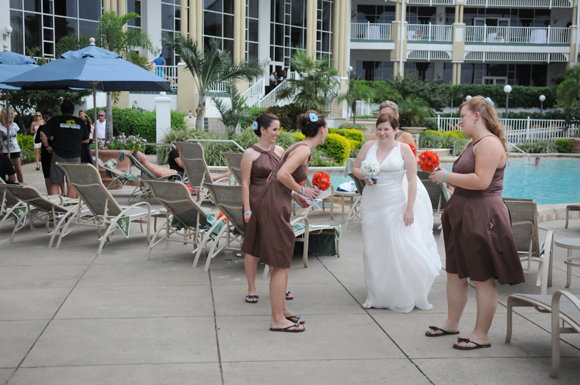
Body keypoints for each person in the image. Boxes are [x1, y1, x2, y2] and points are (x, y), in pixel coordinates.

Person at [427, 96, 524, 350]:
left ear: (477, 116)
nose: (459, 122)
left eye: (462, 117)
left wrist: (447, 175)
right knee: (455, 274)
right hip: (462, 214)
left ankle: (481, 335)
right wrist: (447, 179)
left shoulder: (490, 144)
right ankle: (452, 323)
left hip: (482, 216)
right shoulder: (473, 143)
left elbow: (482, 181)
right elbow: (465, 178)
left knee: (482, 277)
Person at [242, 110, 327, 333]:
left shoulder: (297, 147)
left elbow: (276, 177)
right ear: (323, 130)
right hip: (273, 206)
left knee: (282, 261)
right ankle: (276, 319)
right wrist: (302, 189)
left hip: (273, 202)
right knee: (279, 263)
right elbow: (281, 176)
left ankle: (283, 310)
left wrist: (295, 195)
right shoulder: (304, 149)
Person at [353, 113, 441, 312]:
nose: (382, 133)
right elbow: (356, 168)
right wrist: (365, 174)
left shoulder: (404, 150)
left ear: (395, 130)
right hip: (372, 202)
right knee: (372, 248)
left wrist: (409, 208)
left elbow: (411, 180)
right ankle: (374, 295)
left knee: (394, 247)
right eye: (380, 129)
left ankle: (401, 291)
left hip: (395, 202)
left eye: (386, 129)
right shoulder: (369, 147)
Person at [240, 113, 309, 304]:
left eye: (279, 129)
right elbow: (245, 184)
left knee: (273, 244)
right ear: (263, 130)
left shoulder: (280, 151)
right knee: (252, 247)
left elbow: (282, 179)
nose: (278, 133)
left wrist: (296, 195)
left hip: (276, 201)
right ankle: (251, 288)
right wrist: (247, 209)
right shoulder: (249, 154)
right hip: (255, 202)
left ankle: (280, 287)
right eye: (275, 129)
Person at [40, 101, 89, 198]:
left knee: (55, 182)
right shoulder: (79, 122)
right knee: (71, 182)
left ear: (61, 110)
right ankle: (69, 210)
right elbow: (86, 140)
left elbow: (42, 134)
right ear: (73, 110)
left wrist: (47, 146)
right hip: (75, 155)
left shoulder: (55, 120)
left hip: (58, 154)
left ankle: (56, 208)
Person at [0, 108, 24, 184]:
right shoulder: (0, 126)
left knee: (18, 169)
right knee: (6, 169)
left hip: (15, 149)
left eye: (11, 114)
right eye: (8, 114)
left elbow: (15, 137)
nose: (10, 116)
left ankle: (22, 184)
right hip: (4, 150)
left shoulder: (14, 125)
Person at [35, 110, 56, 194]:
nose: (45, 119)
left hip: (54, 153)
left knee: (56, 174)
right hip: (45, 152)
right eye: (45, 118)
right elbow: (36, 140)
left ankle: (59, 192)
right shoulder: (41, 128)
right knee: (47, 174)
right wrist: (44, 138)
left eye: (47, 118)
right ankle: (49, 192)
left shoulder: (55, 128)